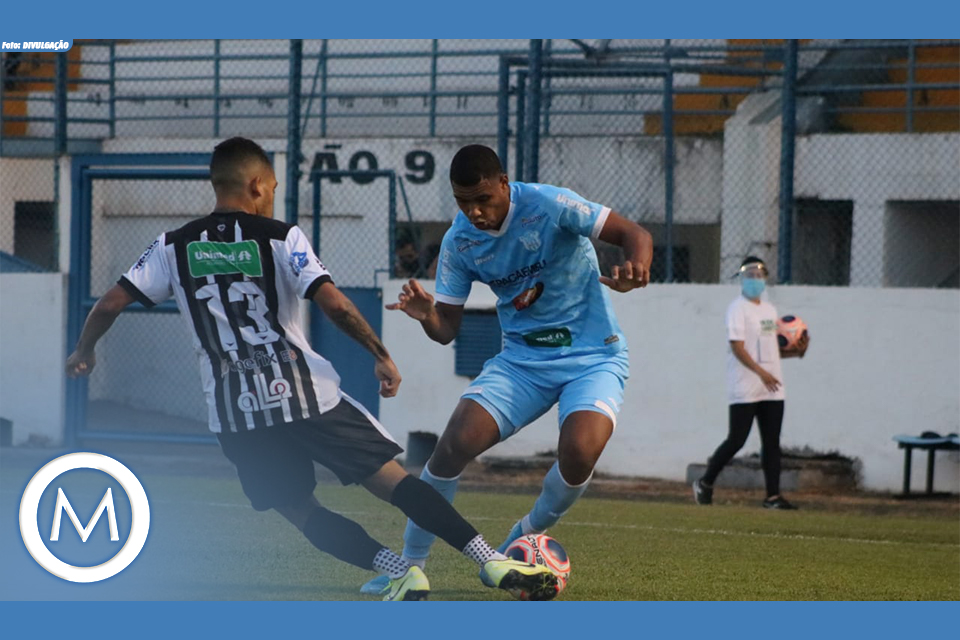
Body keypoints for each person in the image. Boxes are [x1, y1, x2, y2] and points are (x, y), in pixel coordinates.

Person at [64, 136, 558, 601]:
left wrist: (85, 351)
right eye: (273, 188)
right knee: (395, 482)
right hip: (304, 395)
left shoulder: (172, 245)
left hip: (236, 413)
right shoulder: (281, 236)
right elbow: (334, 304)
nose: (272, 197)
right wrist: (379, 354)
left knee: (301, 511)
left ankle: (397, 570)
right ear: (257, 185)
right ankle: (491, 561)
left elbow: (109, 304)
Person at [361, 143, 653, 594]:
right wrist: (428, 315)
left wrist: (636, 267)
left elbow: (635, 234)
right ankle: (409, 565)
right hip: (522, 362)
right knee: (453, 445)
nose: (475, 212)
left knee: (579, 452)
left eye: (483, 199)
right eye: (463, 202)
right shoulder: (459, 241)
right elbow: (446, 330)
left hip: (594, 357)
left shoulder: (549, 204)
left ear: (503, 184)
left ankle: (523, 536)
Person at [692, 256, 810, 510]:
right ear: (741, 278)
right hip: (745, 385)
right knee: (737, 439)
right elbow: (738, 347)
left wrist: (797, 352)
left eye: (759, 275)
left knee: (772, 443)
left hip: (772, 387)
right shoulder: (737, 309)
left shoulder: (769, 310)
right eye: (750, 275)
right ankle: (705, 482)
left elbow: (770, 350)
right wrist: (760, 373)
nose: (755, 279)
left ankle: (772, 497)